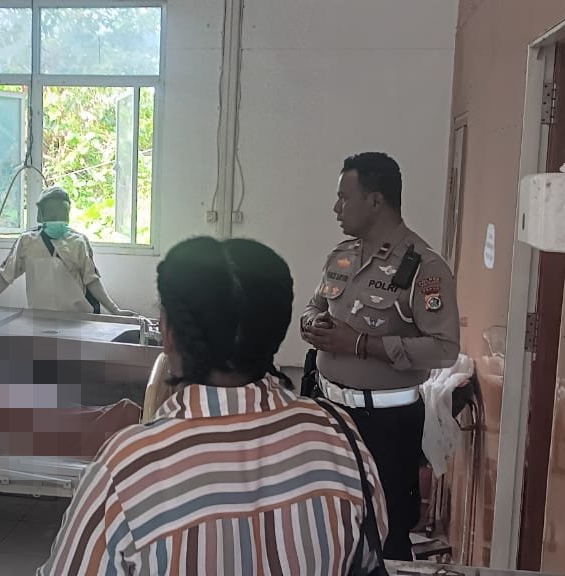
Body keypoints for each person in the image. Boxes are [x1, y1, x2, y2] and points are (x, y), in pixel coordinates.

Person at [40, 236, 388, 575]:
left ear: (168, 332)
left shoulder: (127, 470)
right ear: (277, 330)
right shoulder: (338, 436)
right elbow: (371, 547)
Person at [300, 151, 460, 561]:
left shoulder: (424, 269)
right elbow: (315, 306)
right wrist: (311, 324)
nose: (336, 208)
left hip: (385, 425)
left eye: (344, 197)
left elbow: (444, 348)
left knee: (384, 535)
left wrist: (361, 344)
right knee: (327, 525)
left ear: (374, 201)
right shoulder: (341, 255)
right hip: (329, 412)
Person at [0, 187, 133, 315]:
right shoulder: (27, 242)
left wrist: (115, 310)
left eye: (62, 214)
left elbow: (92, 281)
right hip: (40, 319)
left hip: (77, 320)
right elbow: (6, 275)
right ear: (41, 216)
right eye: (52, 214)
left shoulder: (78, 243)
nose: (57, 218)